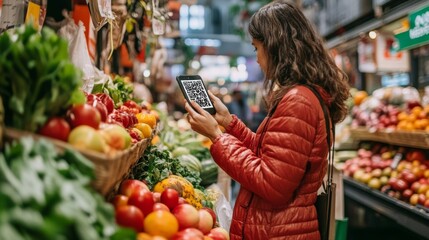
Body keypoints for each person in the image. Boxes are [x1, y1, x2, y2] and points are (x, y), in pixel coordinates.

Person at [184, 1, 349, 239]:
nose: (258, 59)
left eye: (256, 48)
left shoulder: (299, 101)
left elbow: (273, 184)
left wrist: (216, 136)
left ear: (274, 47)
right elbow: (270, 155)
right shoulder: (301, 95)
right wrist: (229, 123)